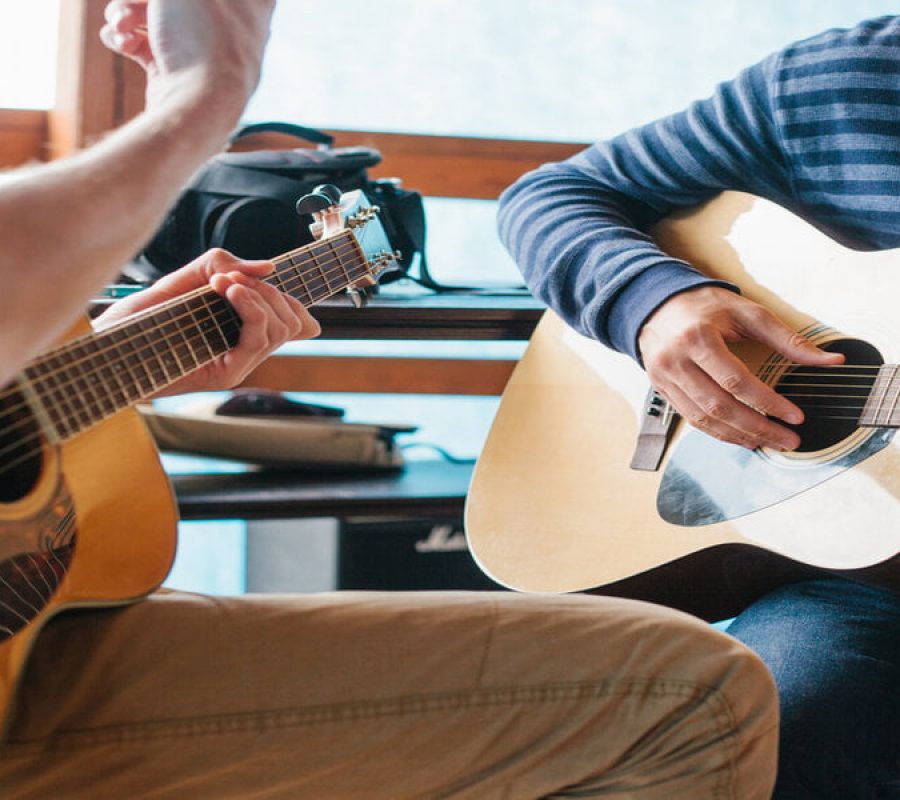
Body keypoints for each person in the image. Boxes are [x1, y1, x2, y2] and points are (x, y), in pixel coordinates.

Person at [0, 2, 780, 798]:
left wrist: (93, 362)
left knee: (694, 689)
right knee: (694, 704)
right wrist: (202, 95)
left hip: (43, 639)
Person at [498, 13, 900, 800]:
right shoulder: (845, 83)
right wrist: (655, 305)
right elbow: (551, 197)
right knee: (763, 733)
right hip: (850, 576)